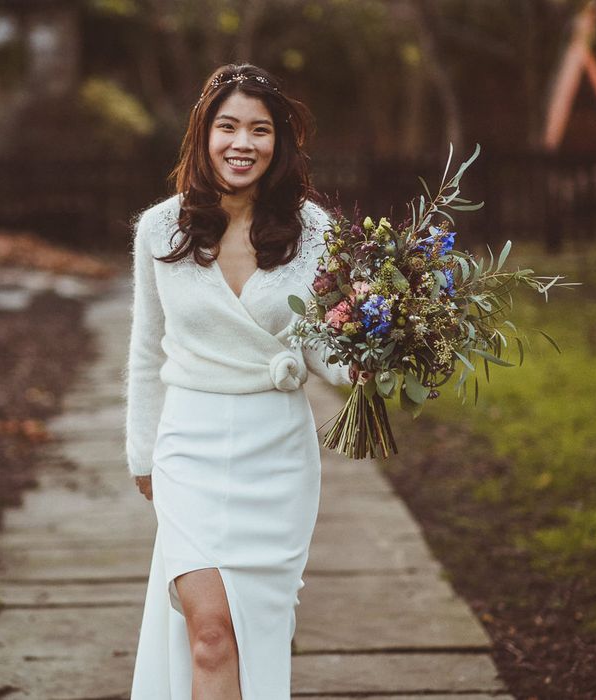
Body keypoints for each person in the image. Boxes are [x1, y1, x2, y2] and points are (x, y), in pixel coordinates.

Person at [125, 63, 371, 700]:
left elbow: (321, 345)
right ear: (202, 136)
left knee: (255, 629)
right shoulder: (160, 229)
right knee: (208, 632)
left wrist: (371, 352)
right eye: (227, 126)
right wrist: (142, 452)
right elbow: (146, 348)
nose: (243, 143)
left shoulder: (314, 232)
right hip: (190, 447)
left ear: (278, 142)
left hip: (277, 451)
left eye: (259, 130)